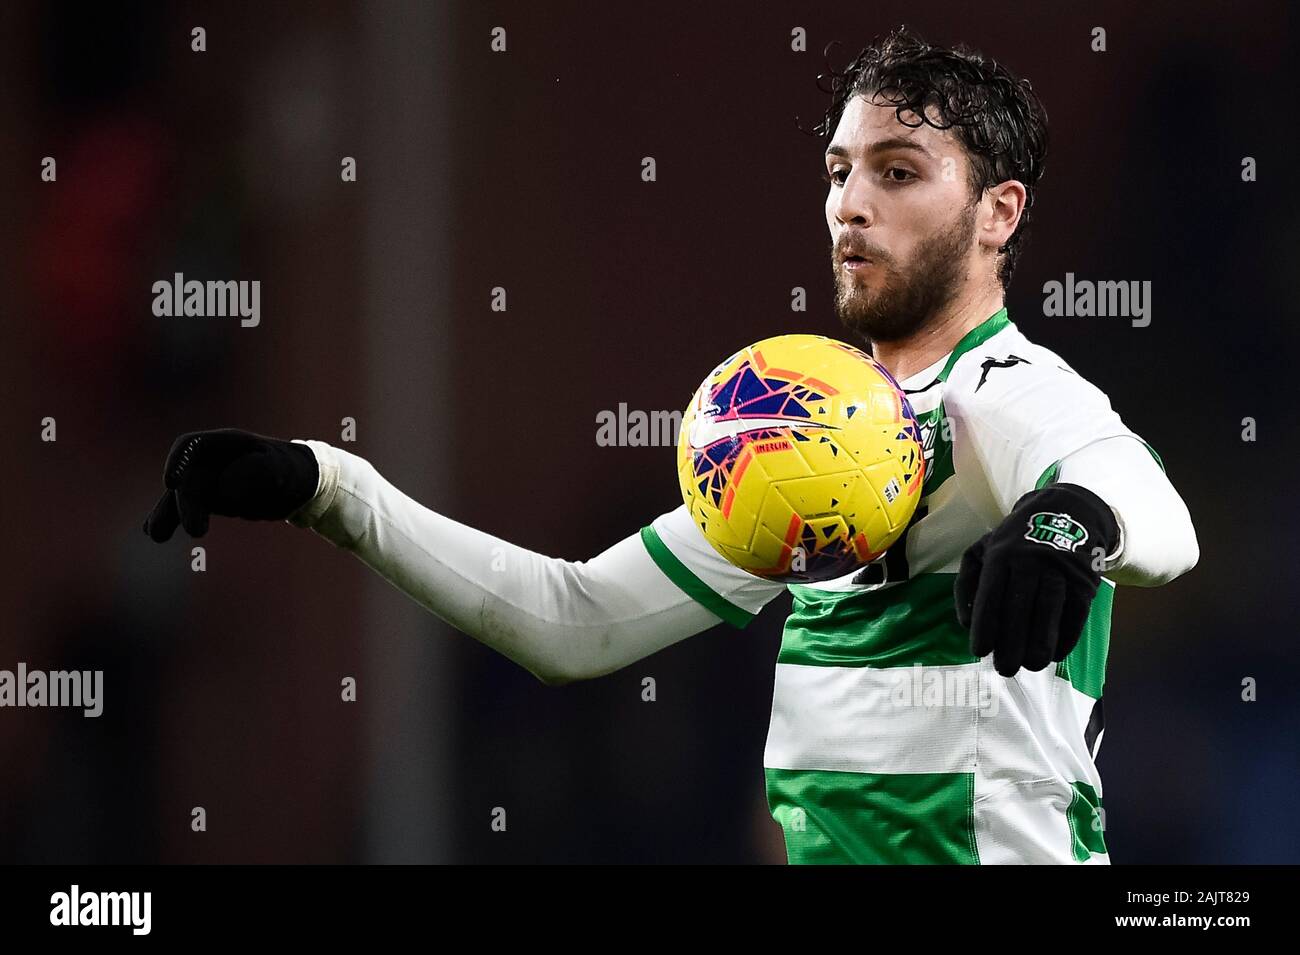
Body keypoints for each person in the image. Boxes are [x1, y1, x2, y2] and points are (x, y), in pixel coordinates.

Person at [143, 27, 1198, 864]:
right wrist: (330, 486)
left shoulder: (1006, 392)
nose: (851, 206)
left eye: (899, 171)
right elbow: (575, 621)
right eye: (838, 171)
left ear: (997, 212)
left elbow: (1148, 506)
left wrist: (1067, 525)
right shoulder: (823, 429)